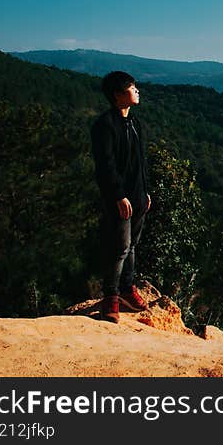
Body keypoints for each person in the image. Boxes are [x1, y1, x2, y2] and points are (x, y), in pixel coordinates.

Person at [90, 71, 152, 323]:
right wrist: (118, 195)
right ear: (117, 95)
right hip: (120, 198)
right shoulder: (105, 125)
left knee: (132, 245)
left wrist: (145, 191)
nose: (137, 91)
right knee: (120, 247)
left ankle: (127, 289)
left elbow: (140, 163)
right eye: (131, 87)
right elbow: (105, 165)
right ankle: (110, 298)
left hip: (137, 196)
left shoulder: (134, 123)